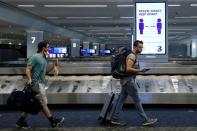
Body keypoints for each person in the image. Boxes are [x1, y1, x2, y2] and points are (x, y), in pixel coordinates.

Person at [16, 41, 64, 129]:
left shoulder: (44, 58)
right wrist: (29, 79)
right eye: (48, 47)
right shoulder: (35, 57)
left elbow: (44, 72)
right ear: (43, 48)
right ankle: (52, 121)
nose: (49, 49)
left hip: (40, 83)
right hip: (36, 84)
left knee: (32, 104)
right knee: (42, 103)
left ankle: (20, 121)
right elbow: (28, 69)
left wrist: (54, 66)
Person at [111, 40, 157, 126]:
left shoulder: (132, 55)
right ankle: (145, 119)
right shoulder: (132, 56)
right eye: (140, 47)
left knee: (121, 99)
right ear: (135, 47)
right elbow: (128, 68)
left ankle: (114, 118)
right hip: (128, 81)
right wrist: (140, 70)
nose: (141, 49)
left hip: (125, 80)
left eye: (142, 47)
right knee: (137, 100)